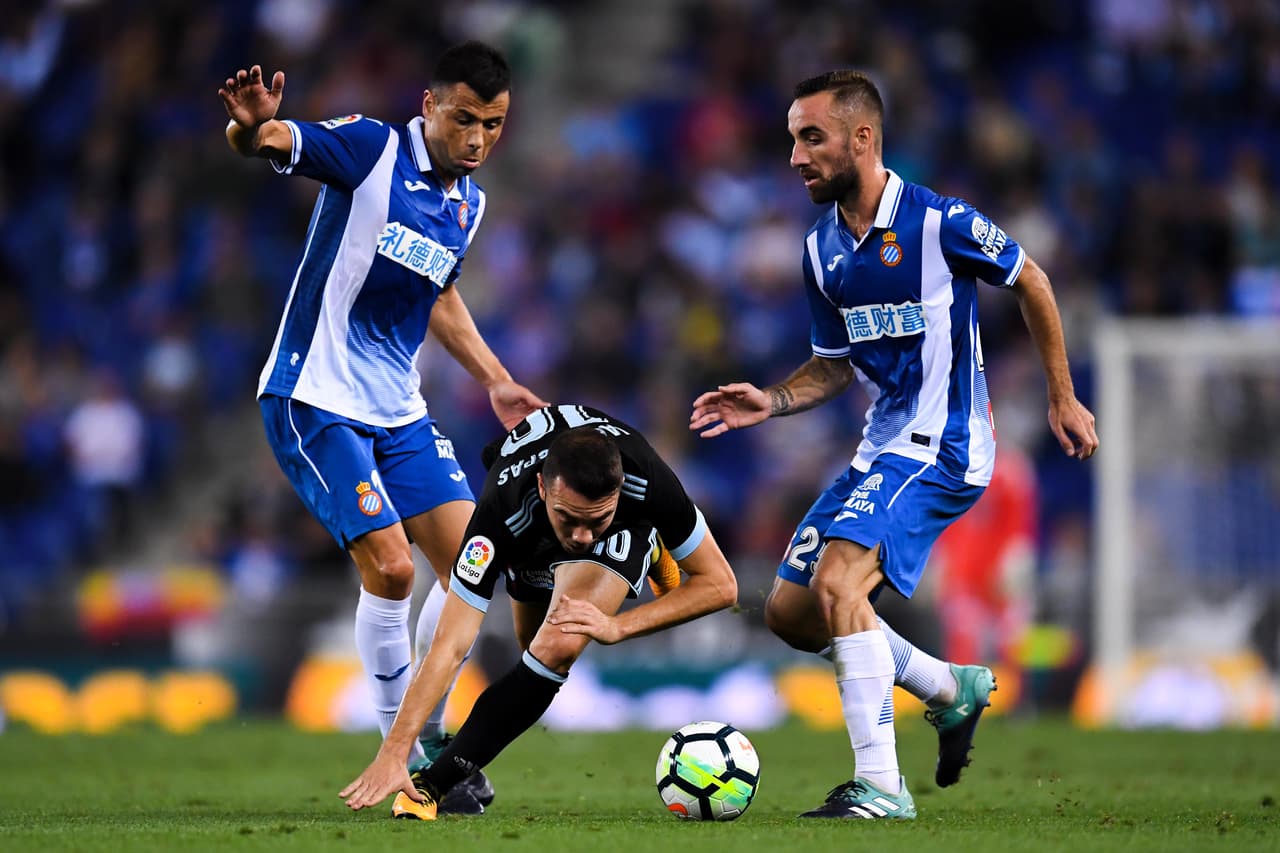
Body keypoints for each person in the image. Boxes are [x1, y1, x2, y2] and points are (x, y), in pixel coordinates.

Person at [690, 70, 1097, 820]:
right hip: (881, 448)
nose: (794, 156)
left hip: (945, 442)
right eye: (791, 139)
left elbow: (1032, 278)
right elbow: (834, 365)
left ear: (862, 139)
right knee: (790, 610)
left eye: (811, 137)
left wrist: (1061, 393)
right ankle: (949, 686)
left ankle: (881, 783)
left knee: (841, 581)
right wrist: (773, 399)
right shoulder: (820, 252)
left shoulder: (939, 223)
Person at [218, 41, 548, 814]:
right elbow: (271, 140)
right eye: (464, 118)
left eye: (493, 125)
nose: (477, 139)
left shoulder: (470, 202)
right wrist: (251, 128)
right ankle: (394, 749)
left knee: (478, 558)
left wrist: (496, 378)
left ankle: (426, 738)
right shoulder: (372, 149)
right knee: (395, 571)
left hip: (398, 408)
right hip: (315, 395)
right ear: (430, 105)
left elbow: (437, 294)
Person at [338, 404, 738, 819]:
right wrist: (394, 752)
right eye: (569, 518)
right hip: (528, 538)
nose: (582, 536)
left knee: (559, 645)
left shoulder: (647, 480)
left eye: (595, 520)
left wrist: (618, 626)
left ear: (618, 495)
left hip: (625, 527)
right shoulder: (497, 516)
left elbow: (721, 586)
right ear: (545, 489)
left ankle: (433, 786)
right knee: (530, 647)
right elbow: (449, 646)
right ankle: (449, 763)